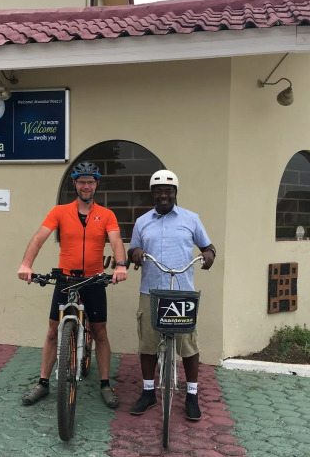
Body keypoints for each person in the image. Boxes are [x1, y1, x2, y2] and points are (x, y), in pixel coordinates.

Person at [17, 161, 128, 409]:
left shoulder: (106, 215)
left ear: (96, 184)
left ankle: (105, 384)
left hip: (94, 280)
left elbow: (116, 240)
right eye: (82, 182)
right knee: (52, 331)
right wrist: (26, 265)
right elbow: (39, 237)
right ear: (75, 184)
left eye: (90, 182)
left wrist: (120, 265)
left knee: (100, 333)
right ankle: (43, 383)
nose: (86, 186)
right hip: (66, 279)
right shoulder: (60, 211)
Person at [127, 169, 215, 420]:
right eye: (158, 191)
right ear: (152, 193)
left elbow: (208, 247)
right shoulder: (142, 221)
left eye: (168, 191)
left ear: (175, 193)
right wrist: (135, 253)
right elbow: (133, 250)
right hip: (151, 291)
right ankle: (148, 392)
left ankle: (192, 395)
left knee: (188, 344)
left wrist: (208, 255)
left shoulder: (191, 219)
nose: (163, 195)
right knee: (148, 344)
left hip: (182, 292)